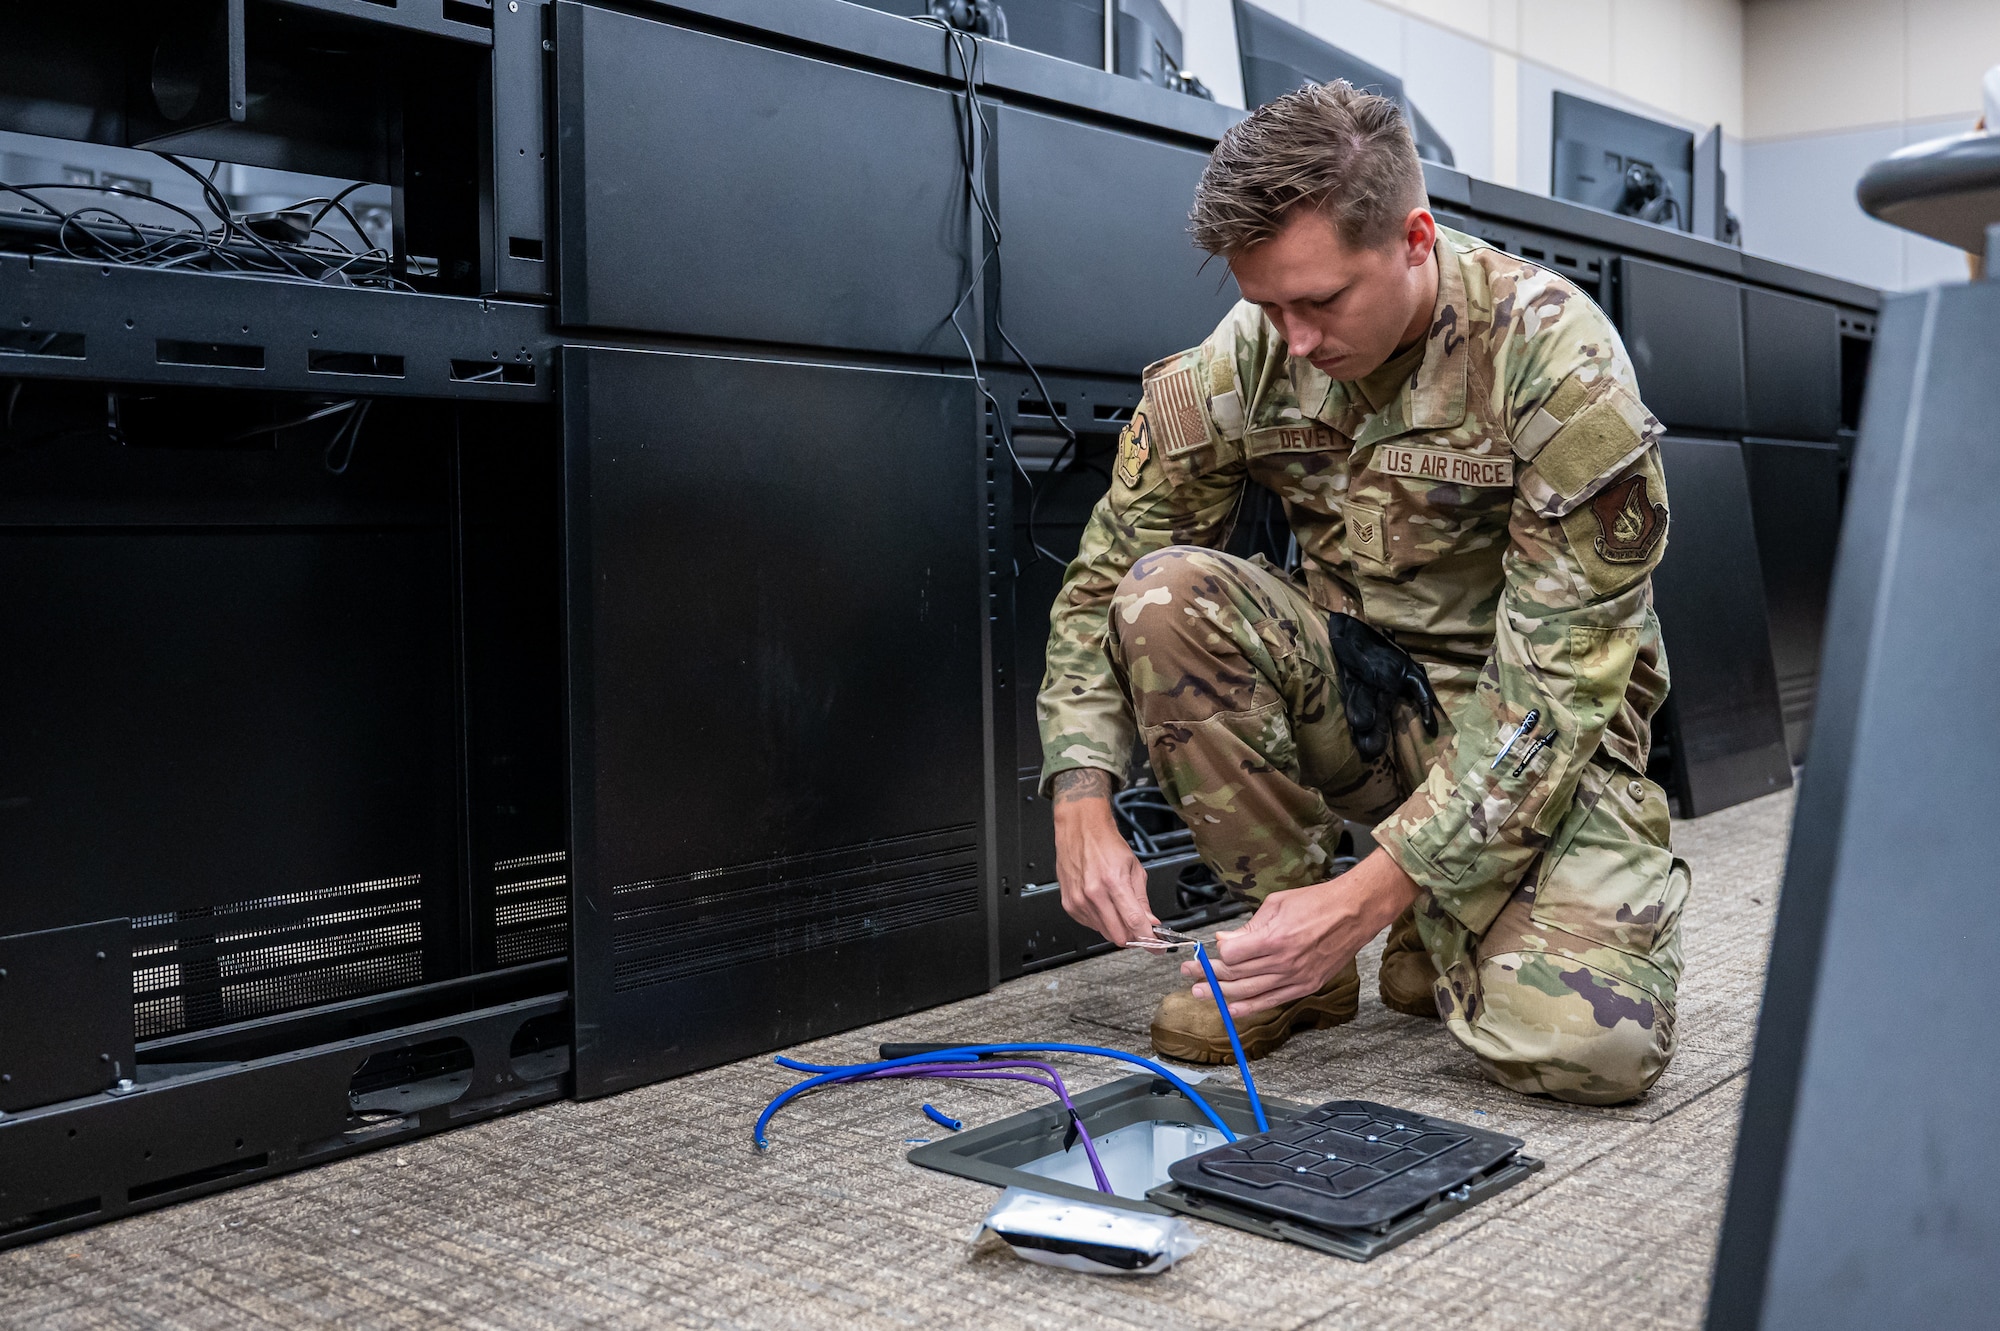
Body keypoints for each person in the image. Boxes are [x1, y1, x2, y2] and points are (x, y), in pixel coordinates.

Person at [1036, 80, 1690, 1107]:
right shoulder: (1249, 359)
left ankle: (1413, 918)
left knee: (1583, 1048)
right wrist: (1080, 793)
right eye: (1265, 305)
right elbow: (1102, 578)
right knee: (1161, 597)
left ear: (1414, 238)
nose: (1291, 339)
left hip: (1532, 742)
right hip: (1370, 707)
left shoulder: (1553, 364)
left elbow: (1552, 703)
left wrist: (1374, 887)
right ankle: (1298, 951)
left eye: (1319, 300)